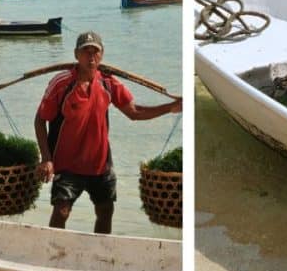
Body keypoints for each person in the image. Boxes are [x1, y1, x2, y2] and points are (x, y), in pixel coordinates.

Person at [34, 31, 181, 233]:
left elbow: (134, 112)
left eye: (95, 51)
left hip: (100, 163)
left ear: (102, 55)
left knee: (105, 211)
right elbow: (40, 119)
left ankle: (100, 250)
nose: (91, 56)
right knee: (61, 211)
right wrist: (46, 158)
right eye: (86, 51)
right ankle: (53, 248)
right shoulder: (62, 83)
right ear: (76, 55)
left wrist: (171, 107)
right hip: (67, 164)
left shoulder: (108, 82)